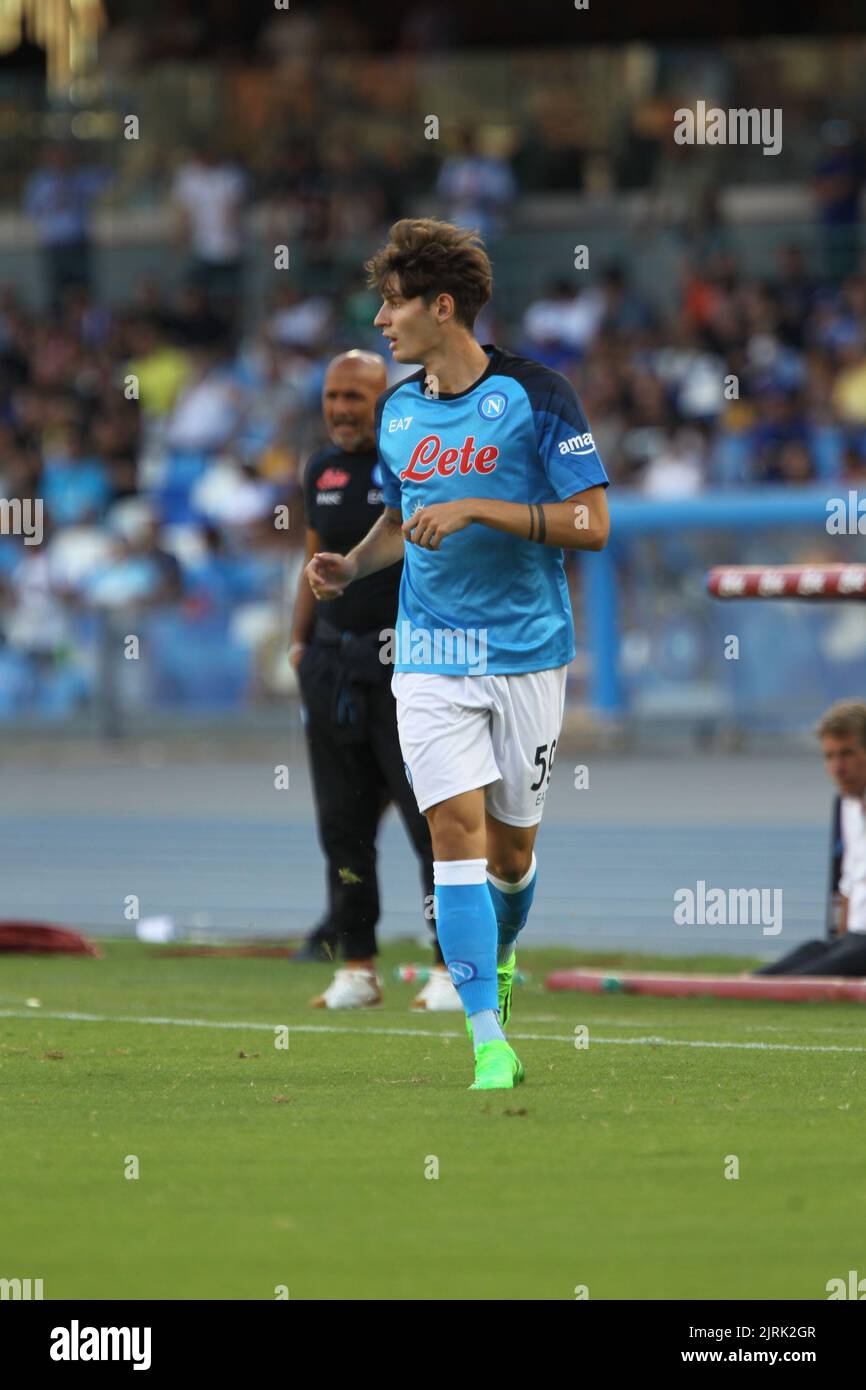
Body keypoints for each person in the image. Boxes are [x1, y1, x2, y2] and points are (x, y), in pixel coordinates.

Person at [305, 219, 610, 1088]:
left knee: (512, 855)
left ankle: (500, 963)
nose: (380, 320)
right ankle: (487, 1040)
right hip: (430, 654)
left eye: (393, 303)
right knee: (453, 834)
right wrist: (354, 562)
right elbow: (405, 522)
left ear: (443, 308)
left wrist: (480, 507)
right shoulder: (400, 410)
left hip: (526, 653)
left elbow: (592, 524)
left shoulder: (538, 394)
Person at [291, 349, 458, 1011]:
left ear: (383, 401)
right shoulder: (320, 469)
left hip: (406, 669)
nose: (341, 410)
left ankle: (453, 968)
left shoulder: (414, 457)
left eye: (355, 398)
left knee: (433, 825)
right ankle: (357, 966)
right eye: (333, 397)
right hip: (334, 666)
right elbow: (312, 559)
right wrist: (299, 643)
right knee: (343, 826)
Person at [755, 700, 866, 977]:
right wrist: (839, 945)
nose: (838, 768)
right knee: (796, 960)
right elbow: (849, 885)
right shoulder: (847, 806)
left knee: (799, 982)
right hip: (855, 940)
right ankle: (752, 984)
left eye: (847, 754)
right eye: (829, 756)